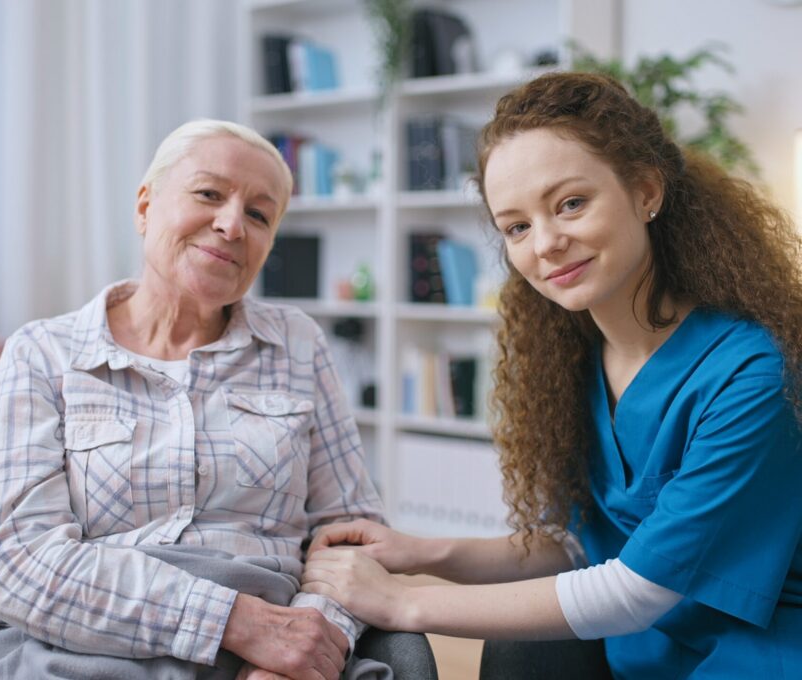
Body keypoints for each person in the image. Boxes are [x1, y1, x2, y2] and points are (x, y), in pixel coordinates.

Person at [301, 72, 802, 678]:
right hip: (638, 652)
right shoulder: (582, 359)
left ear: (646, 191)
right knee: (525, 648)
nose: (545, 243)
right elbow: (580, 546)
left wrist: (403, 600)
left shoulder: (751, 371)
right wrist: (419, 552)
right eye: (516, 226)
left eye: (570, 204)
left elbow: (638, 589)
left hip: (747, 659)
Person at [0, 120, 387, 680]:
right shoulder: (42, 352)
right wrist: (237, 623)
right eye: (209, 194)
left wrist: (307, 642)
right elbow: (18, 562)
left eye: (259, 215)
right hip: (76, 640)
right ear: (145, 207)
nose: (232, 224)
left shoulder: (297, 344)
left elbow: (351, 536)